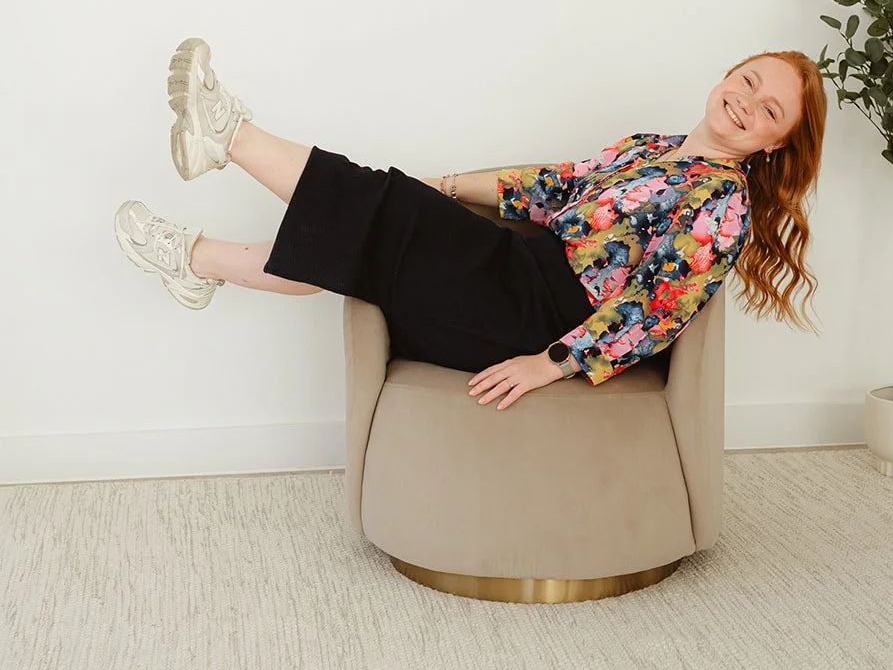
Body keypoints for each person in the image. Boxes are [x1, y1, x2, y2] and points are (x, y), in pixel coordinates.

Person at [114, 37, 827, 410]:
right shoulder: (651, 149)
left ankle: (231, 140)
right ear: (726, 76)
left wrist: (548, 363)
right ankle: (196, 256)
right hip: (516, 277)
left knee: (376, 223)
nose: (746, 103)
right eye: (748, 82)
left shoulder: (721, 203)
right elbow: (553, 187)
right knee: (374, 226)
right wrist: (443, 187)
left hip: (536, 314)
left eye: (769, 111)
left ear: (772, 144)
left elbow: (654, 312)